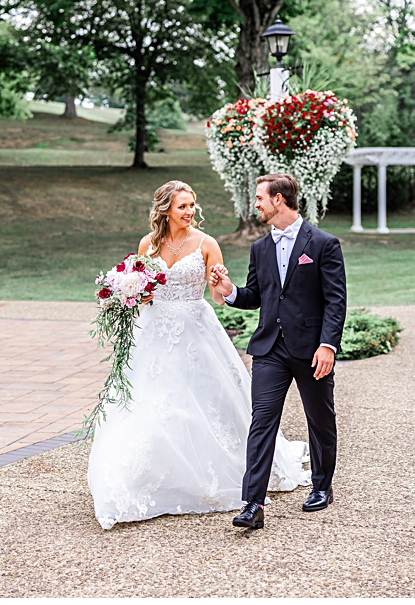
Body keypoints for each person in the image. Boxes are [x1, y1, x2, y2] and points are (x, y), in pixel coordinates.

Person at [87, 180, 310, 529]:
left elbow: (218, 297)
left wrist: (220, 283)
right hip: (154, 333)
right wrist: (133, 295)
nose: (190, 212)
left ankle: (219, 474)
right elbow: (143, 289)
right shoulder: (148, 244)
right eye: (182, 207)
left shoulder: (207, 244)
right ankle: (147, 478)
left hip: (195, 328)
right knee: (149, 403)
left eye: (192, 205)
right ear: (165, 210)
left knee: (205, 404)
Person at [209, 174, 347, 531]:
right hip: (270, 348)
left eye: (259, 198)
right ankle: (253, 503)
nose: (255, 204)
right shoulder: (260, 248)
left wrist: (328, 345)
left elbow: (335, 300)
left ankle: (322, 485)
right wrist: (230, 290)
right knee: (262, 422)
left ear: (279, 200)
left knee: (319, 420)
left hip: (311, 349)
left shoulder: (323, 244)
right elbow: (257, 295)